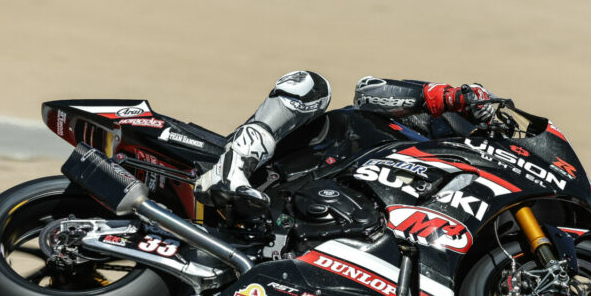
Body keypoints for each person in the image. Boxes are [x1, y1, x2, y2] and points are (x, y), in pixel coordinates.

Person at [194, 71, 497, 208]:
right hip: (286, 165)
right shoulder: (435, 113)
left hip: (315, 209)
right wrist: (446, 97)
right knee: (310, 85)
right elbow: (367, 90)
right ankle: (231, 168)